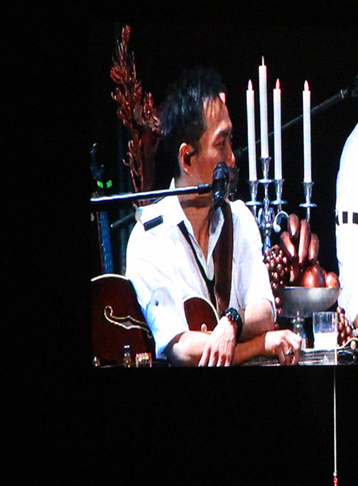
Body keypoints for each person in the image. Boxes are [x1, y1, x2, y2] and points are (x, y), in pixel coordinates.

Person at [125, 67, 303, 365]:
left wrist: (231, 322)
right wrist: (260, 346)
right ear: (186, 158)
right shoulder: (150, 237)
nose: (232, 157)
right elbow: (181, 348)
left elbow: (264, 311)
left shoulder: (239, 218)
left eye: (230, 141)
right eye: (221, 145)